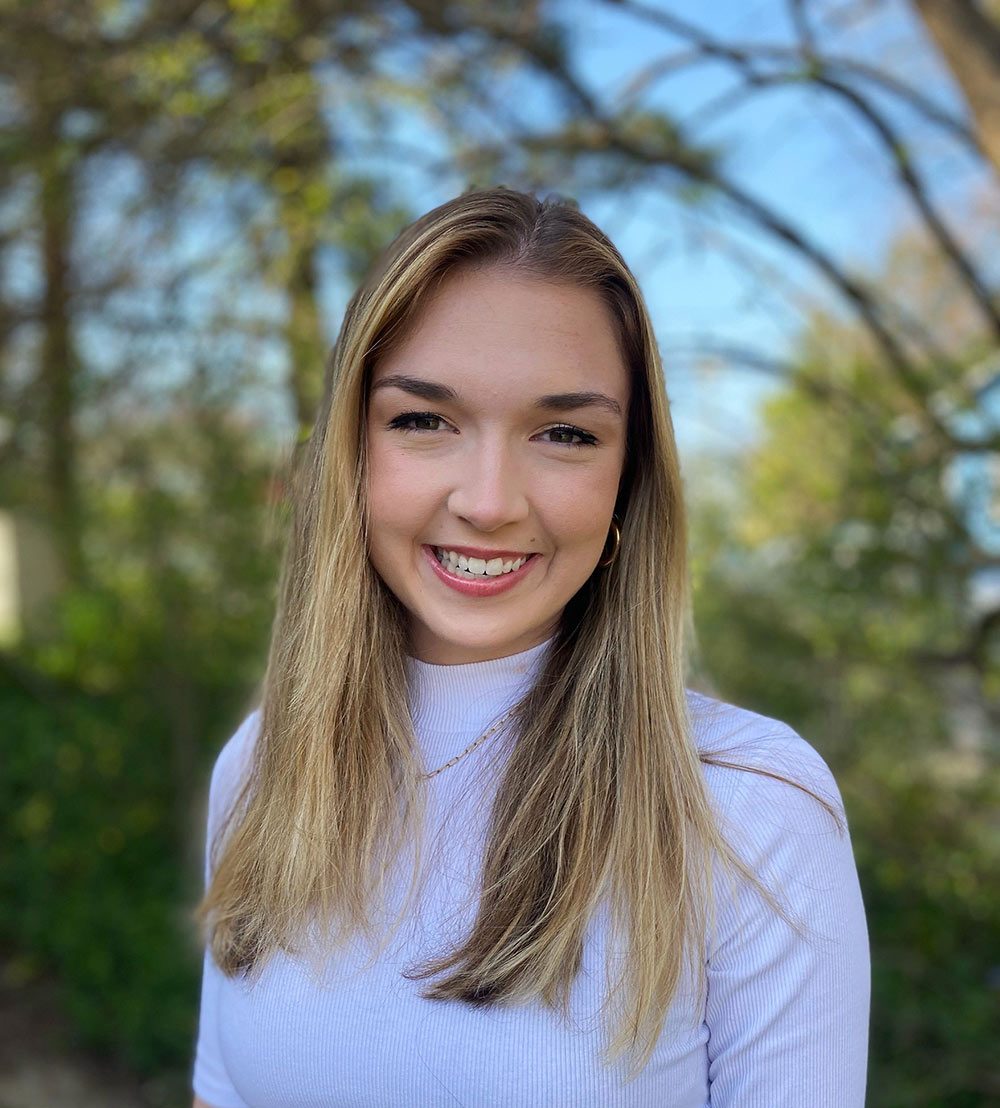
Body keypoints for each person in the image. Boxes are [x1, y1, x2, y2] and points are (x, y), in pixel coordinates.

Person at [191, 187, 870, 1108]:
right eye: (423, 420)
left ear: (627, 485)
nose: (490, 499)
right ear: (353, 452)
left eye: (564, 434)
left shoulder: (750, 809)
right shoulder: (262, 769)